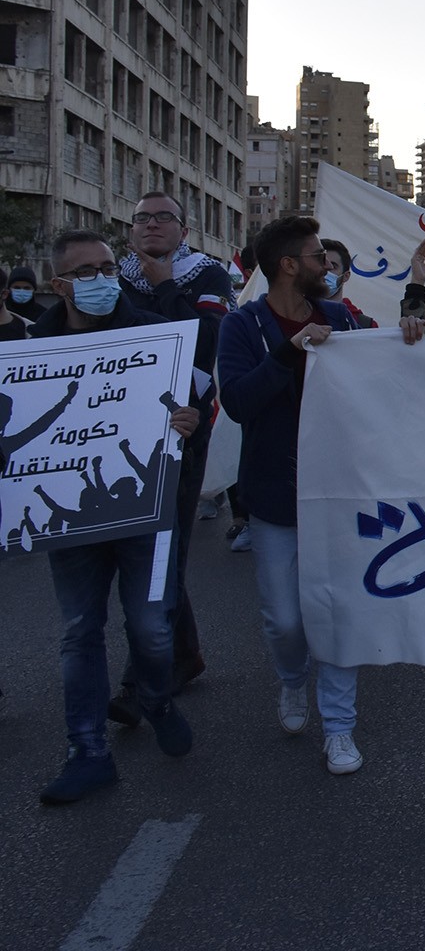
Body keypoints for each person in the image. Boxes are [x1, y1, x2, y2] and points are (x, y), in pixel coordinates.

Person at [219, 216, 425, 775]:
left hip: (342, 493)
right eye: (318, 259)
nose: (328, 268)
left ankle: (339, 726)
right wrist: (288, 351)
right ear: (289, 265)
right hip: (274, 495)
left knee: (339, 614)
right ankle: (292, 682)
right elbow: (238, 402)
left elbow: (391, 364)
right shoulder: (242, 326)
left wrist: (414, 312)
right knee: (286, 620)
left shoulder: (338, 317)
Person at [28, 230, 198, 804]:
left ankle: (154, 696)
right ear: (59, 285)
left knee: (152, 628)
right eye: (85, 272)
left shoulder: (155, 340)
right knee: (80, 632)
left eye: (107, 267)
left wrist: (187, 422)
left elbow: (191, 406)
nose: (101, 279)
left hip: (146, 511)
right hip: (69, 516)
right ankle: (87, 751)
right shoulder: (29, 355)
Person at [110, 192, 231, 716]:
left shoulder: (206, 275)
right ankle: (182, 654)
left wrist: (163, 289)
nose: (151, 225)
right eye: (142, 218)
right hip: (120, 426)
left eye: (164, 218)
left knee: (165, 548)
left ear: (184, 229)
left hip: (182, 426)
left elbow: (206, 341)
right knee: (141, 550)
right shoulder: (110, 279)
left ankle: (144, 680)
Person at [319, 239, 380, 329]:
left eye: (333, 266)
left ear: (346, 276)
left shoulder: (366, 326)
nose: (325, 271)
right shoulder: (295, 315)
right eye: (320, 264)